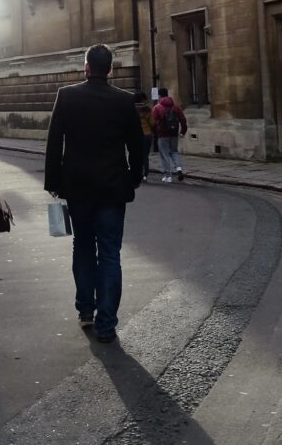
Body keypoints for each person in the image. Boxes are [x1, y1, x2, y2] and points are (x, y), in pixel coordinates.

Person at [44, 44, 143, 344]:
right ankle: (106, 324)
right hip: (113, 188)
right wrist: (133, 180)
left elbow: (54, 142)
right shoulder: (124, 101)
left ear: (86, 67)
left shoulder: (67, 95)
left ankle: (86, 309)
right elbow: (137, 147)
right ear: (110, 69)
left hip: (77, 187)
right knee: (110, 254)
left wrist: (53, 182)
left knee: (83, 246)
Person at [151, 87, 188, 183]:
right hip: (174, 133)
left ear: (159, 95)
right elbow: (183, 120)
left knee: (165, 155)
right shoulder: (176, 107)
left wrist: (154, 132)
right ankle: (179, 169)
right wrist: (183, 131)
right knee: (174, 152)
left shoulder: (157, 107)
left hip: (162, 134)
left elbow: (153, 122)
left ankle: (168, 176)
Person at [133, 91, 154, 182]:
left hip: (135, 134)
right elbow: (152, 123)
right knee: (145, 155)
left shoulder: (131, 108)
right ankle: (145, 174)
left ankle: (138, 172)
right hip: (147, 134)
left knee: (136, 154)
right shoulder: (147, 109)